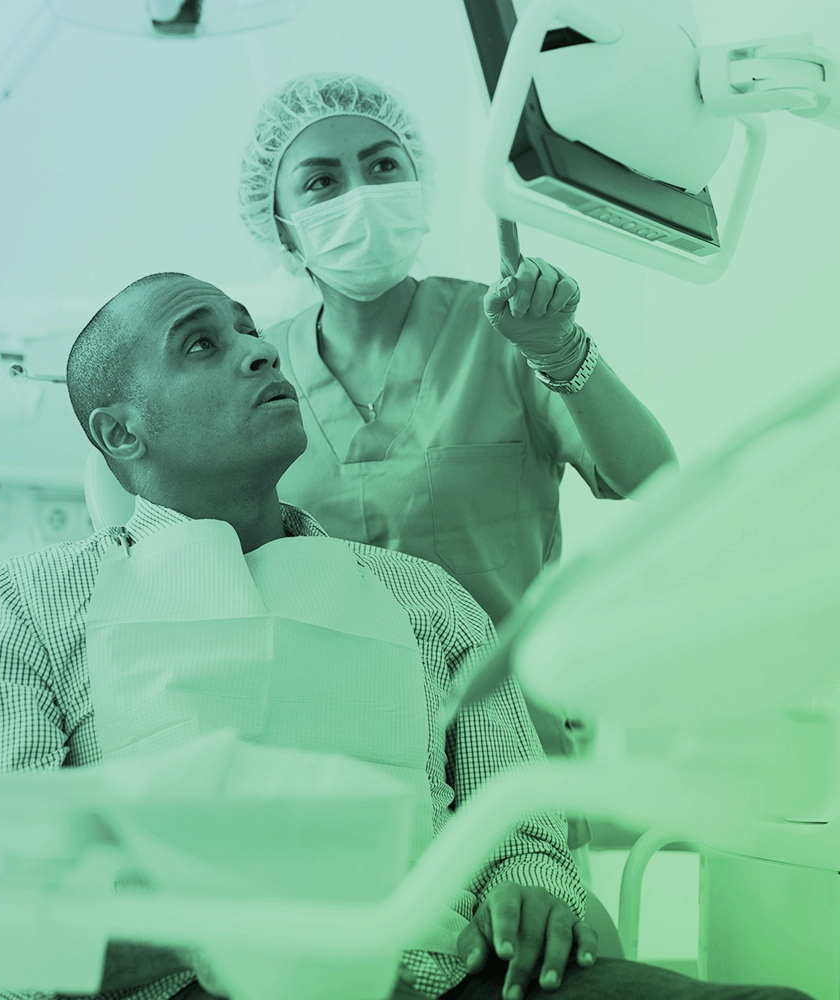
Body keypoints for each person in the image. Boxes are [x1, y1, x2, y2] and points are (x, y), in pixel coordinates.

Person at [0, 273, 807, 1000]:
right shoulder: (33, 602)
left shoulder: (422, 597)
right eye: (201, 343)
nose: (258, 348)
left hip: (436, 981)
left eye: (247, 329)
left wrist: (528, 883)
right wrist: (221, 922)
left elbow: (525, 830)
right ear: (121, 432)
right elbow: (4, 908)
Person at [237, 73, 679, 873]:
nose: (361, 195)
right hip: (330, 771)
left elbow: (653, 485)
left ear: (420, 185)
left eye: (382, 166)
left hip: (515, 768)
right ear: (282, 224)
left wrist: (562, 350)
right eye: (321, 182)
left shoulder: (507, 329)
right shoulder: (258, 377)